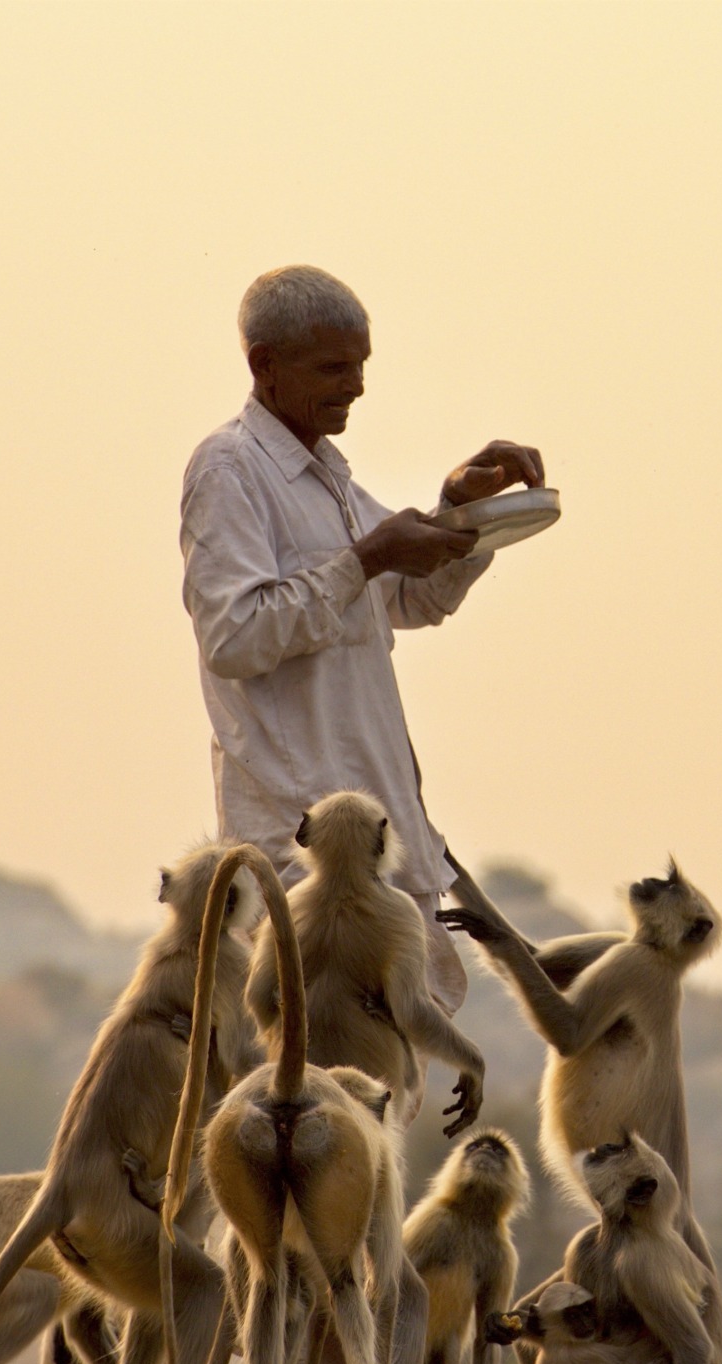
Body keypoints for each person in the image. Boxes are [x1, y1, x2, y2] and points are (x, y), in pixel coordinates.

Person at [179, 265, 543, 1011]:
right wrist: (367, 558)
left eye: (361, 366)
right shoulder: (230, 469)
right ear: (265, 367)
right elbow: (235, 636)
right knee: (330, 1089)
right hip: (305, 851)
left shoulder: (328, 476)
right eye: (334, 367)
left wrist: (466, 513)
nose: (357, 386)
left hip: (381, 847)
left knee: (378, 1096)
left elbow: (410, 599)